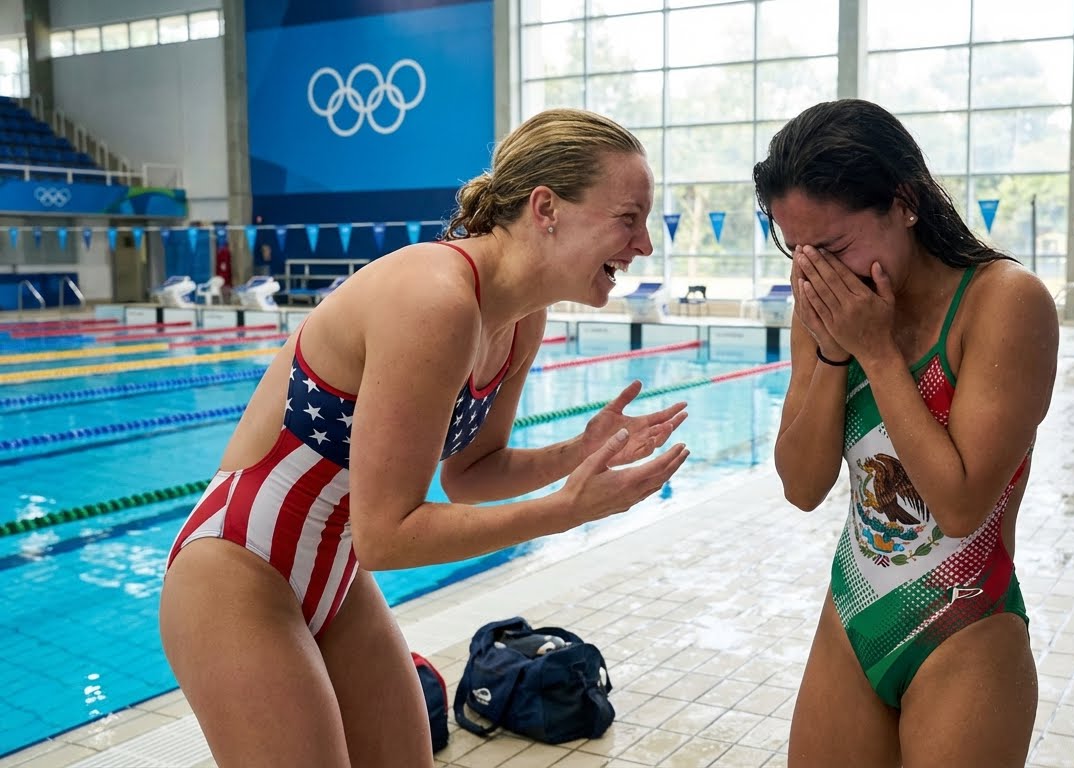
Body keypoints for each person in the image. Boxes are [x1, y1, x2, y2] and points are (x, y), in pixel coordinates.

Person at [159, 109, 690, 767]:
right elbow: (386, 535)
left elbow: (473, 472)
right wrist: (565, 511)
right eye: (627, 217)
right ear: (546, 207)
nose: (643, 244)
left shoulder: (519, 318)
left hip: (334, 571)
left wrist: (580, 452)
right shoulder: (433, 298)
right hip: (237, 568)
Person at [755, 99, 1058, 767]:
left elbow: (957, 507)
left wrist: (877, 353)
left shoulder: (1002, 301)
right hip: (852, 616)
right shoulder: (825, 306)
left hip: (964, 624)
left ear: (903, 202)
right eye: (794, 246)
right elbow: (801, 486)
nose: (815, 268)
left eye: (831, 246)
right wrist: (834, 353)